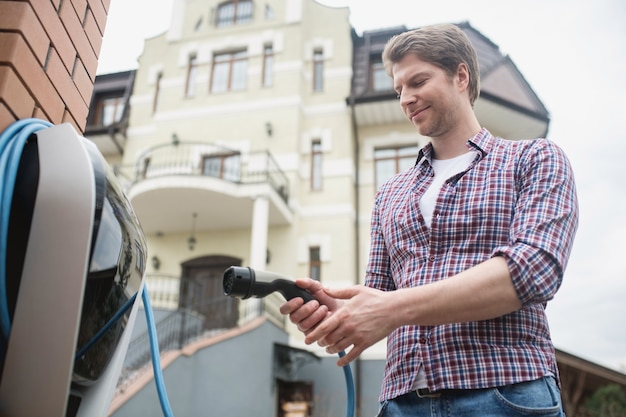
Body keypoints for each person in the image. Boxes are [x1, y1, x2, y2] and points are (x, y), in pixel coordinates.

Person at [280, 23, 579, 416]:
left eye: (418, 81)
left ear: (460, 75)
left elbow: (533, 271)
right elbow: (380, 301)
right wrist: (336, 315)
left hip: (506, 391)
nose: (405, 98)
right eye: (399, 88)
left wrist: (390, 309)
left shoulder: (534, 159)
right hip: (404, 403)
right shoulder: (389, 194)